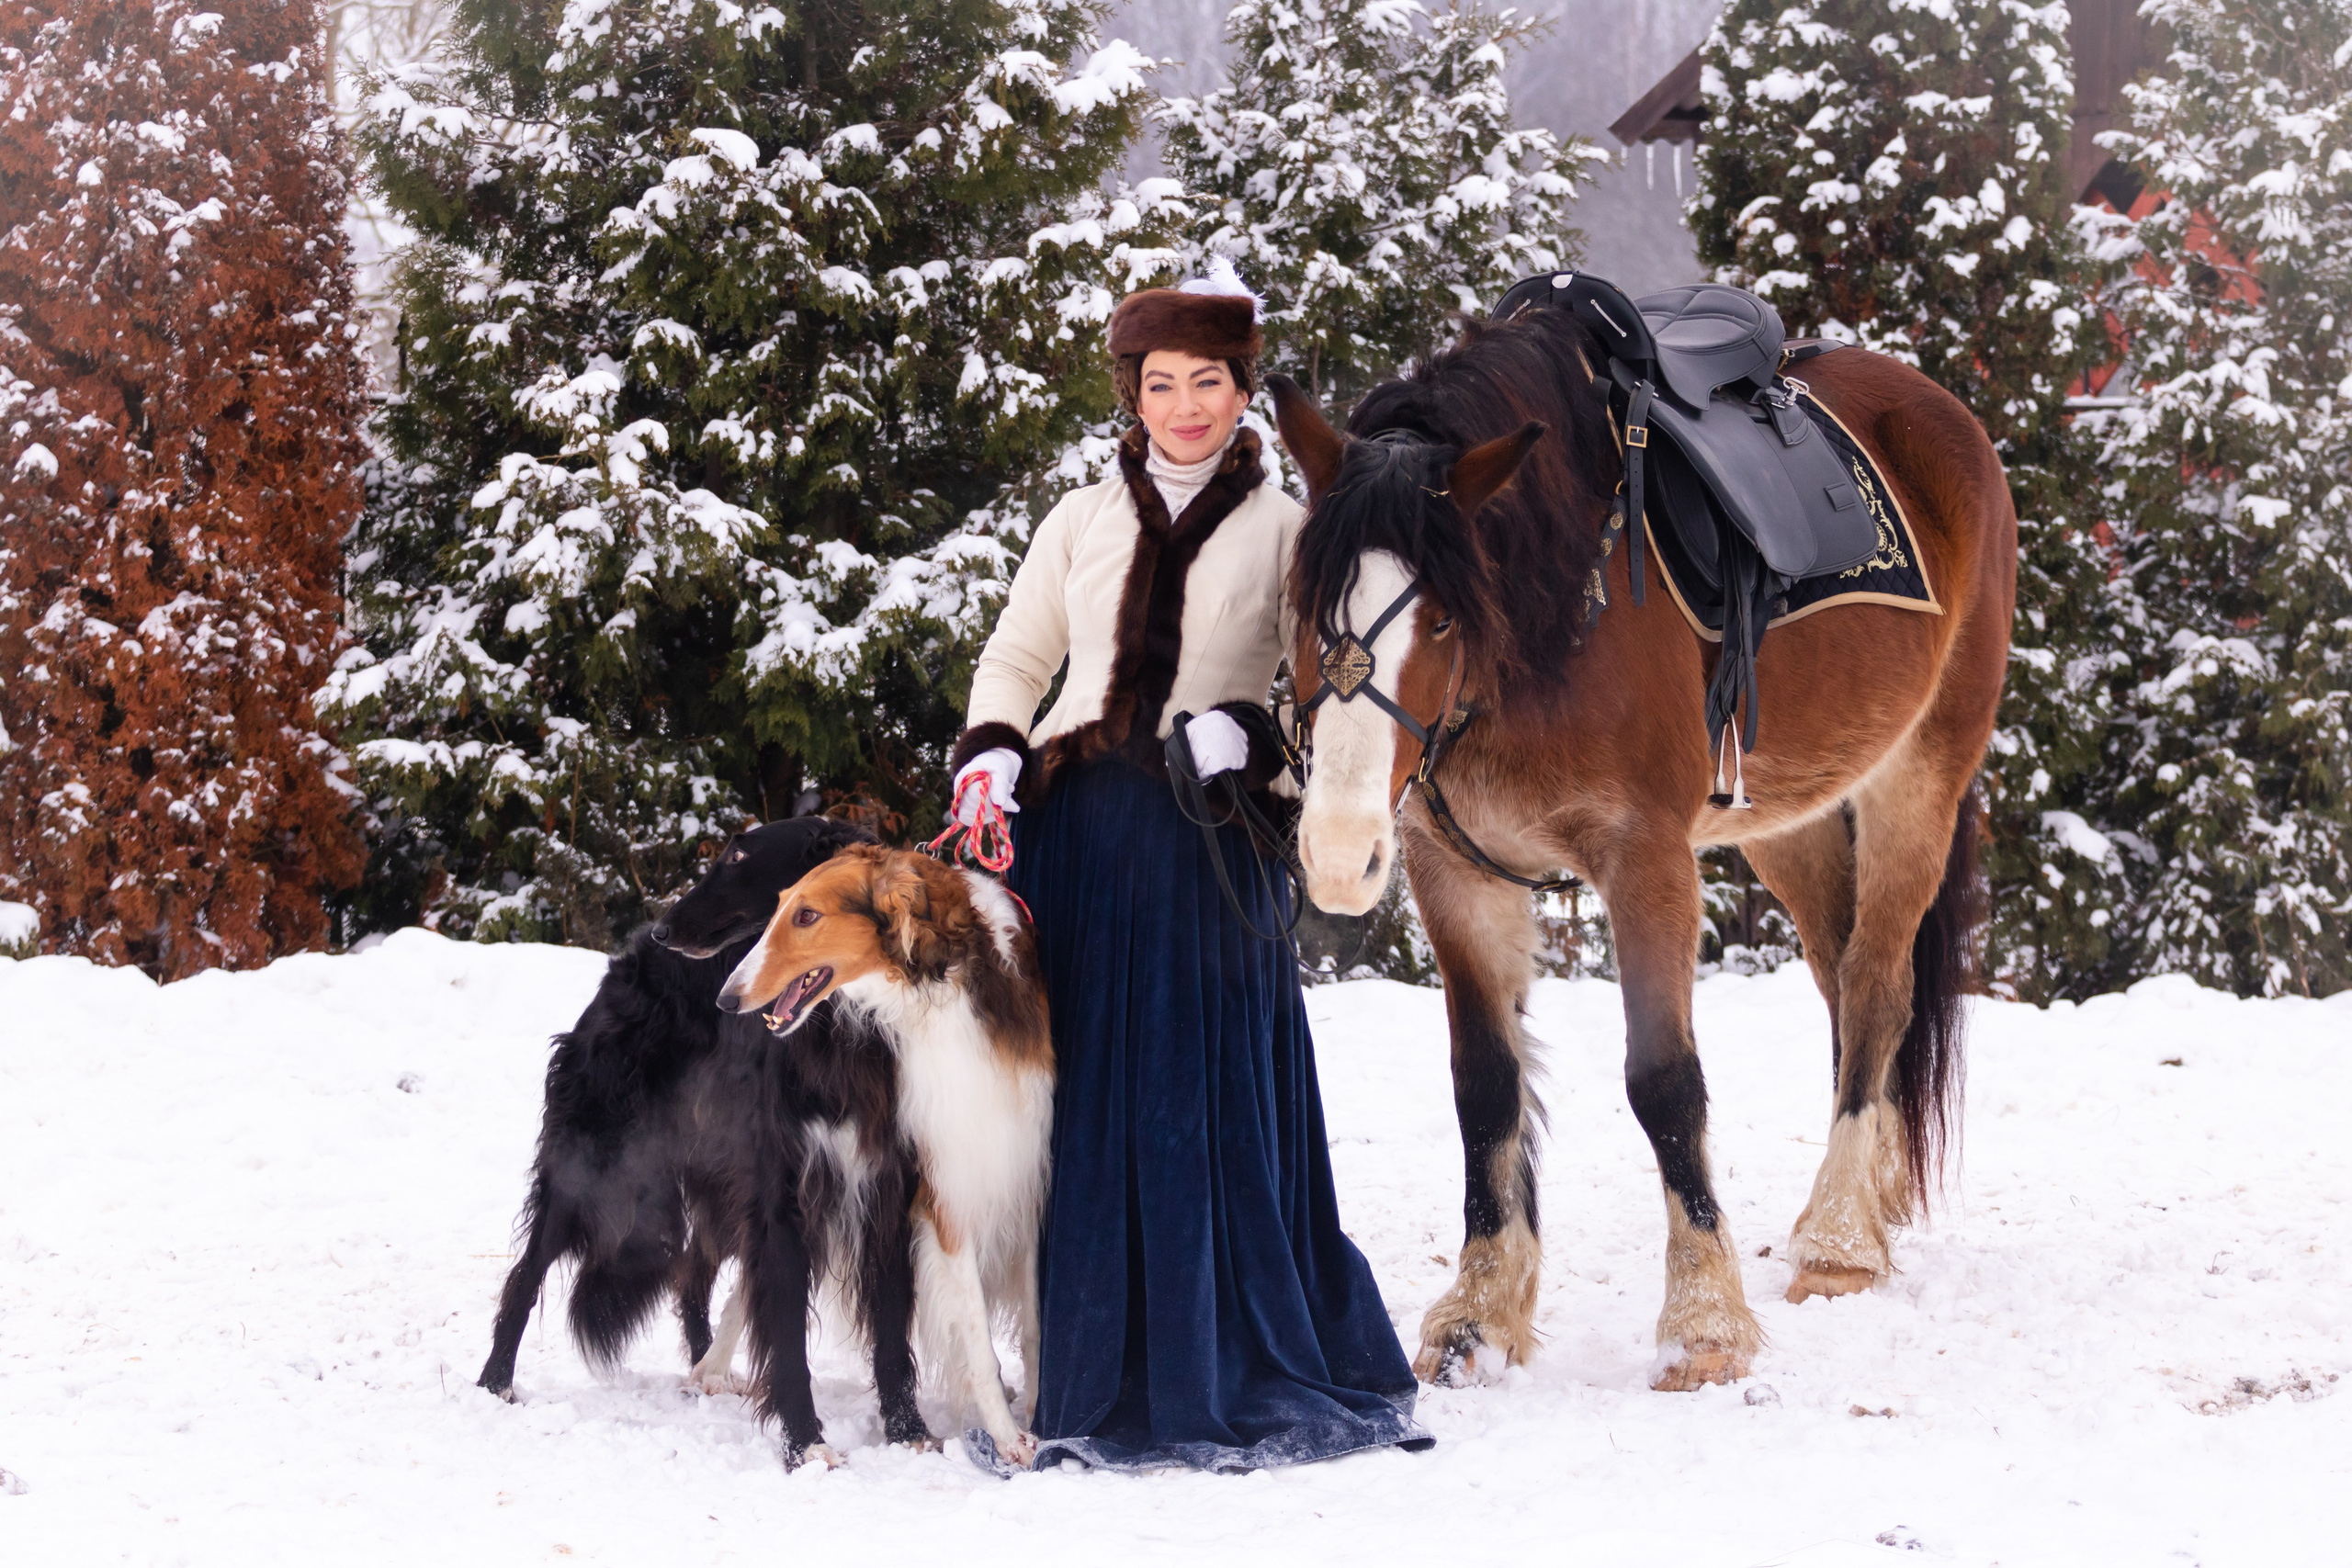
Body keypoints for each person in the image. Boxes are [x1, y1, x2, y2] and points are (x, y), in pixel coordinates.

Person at [947, 264, 1429, 1473]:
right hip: (1074, 843)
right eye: (1160, 384)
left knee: (1189, 1111)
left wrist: (1254, 745)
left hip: (1206, 849)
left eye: (1206, 381)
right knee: (1081, 1109)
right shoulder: (1081, 518)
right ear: (1135, 393)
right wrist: (991, 760)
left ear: (1241, 387)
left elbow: (1327, 693)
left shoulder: (1288, 530)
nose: (1183, 405)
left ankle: (1216, 1362)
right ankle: (1083, 1362)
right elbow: (1016, 658)